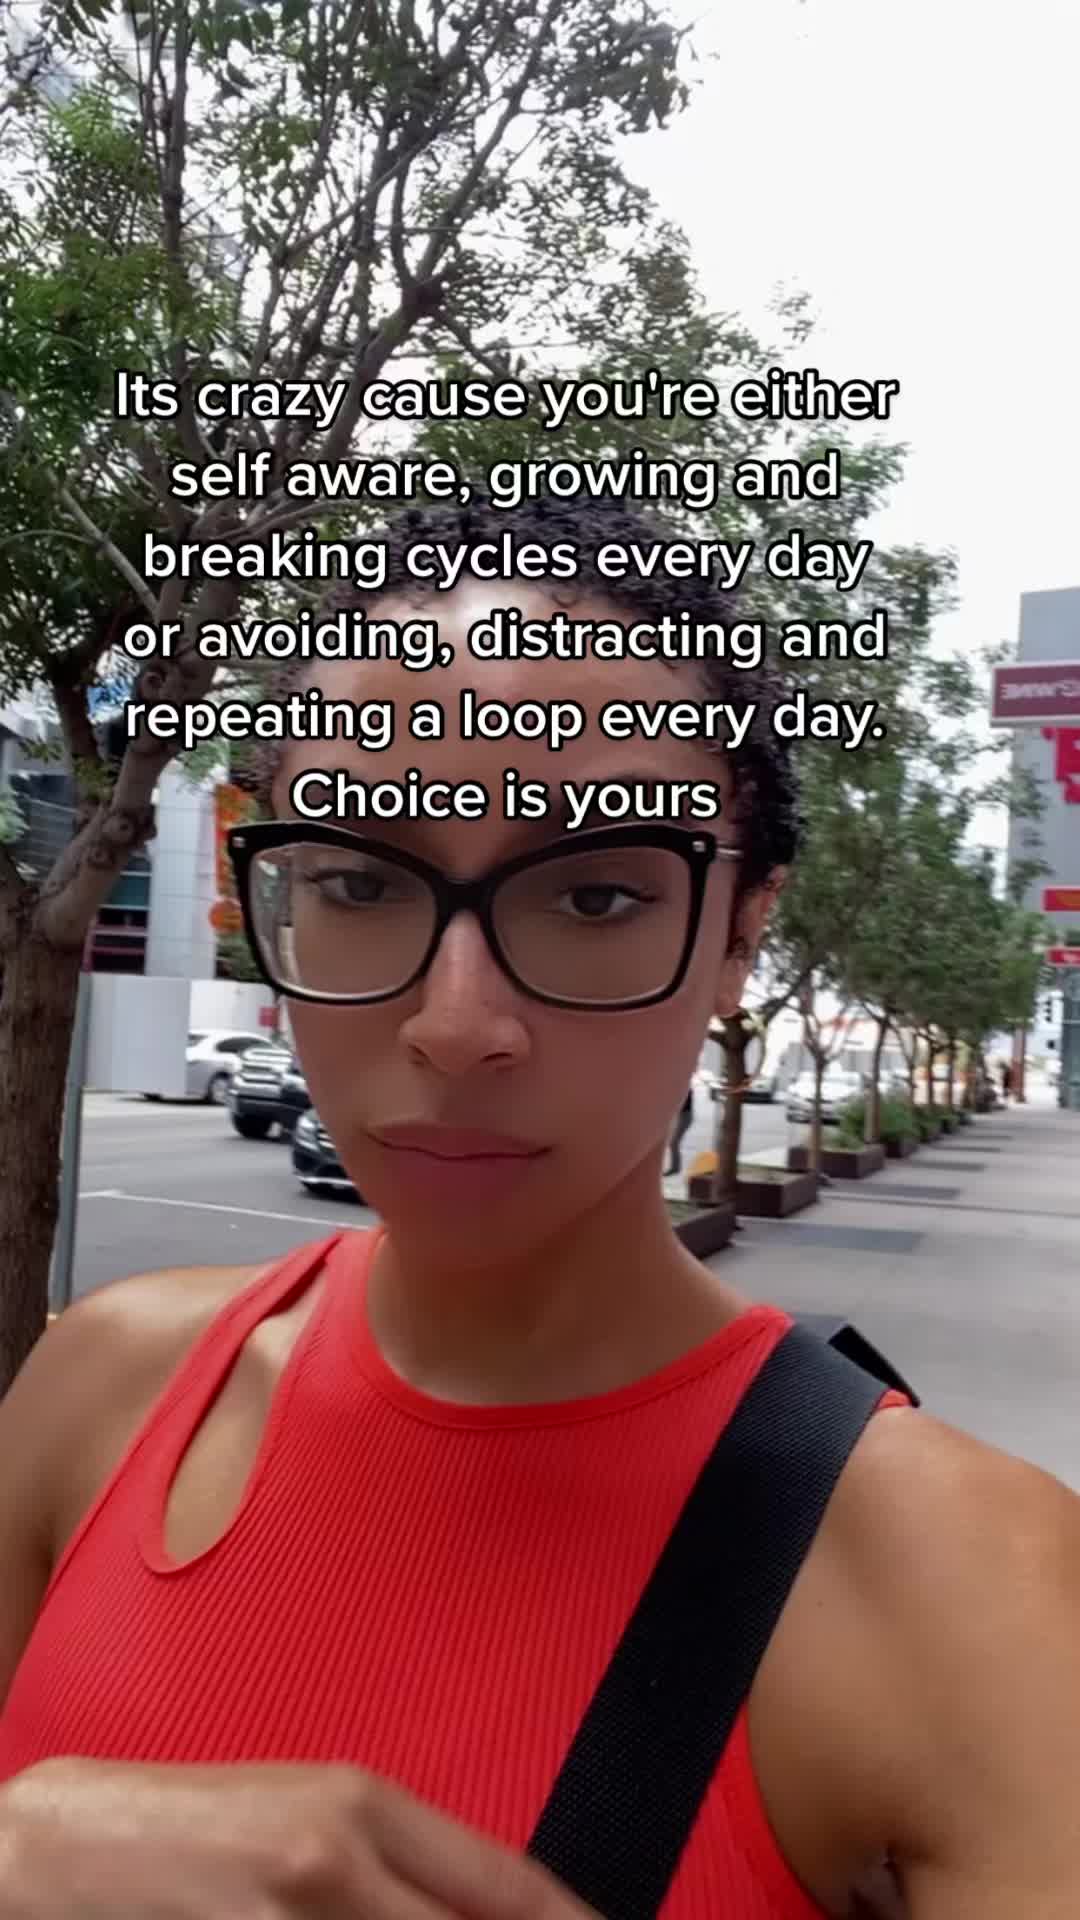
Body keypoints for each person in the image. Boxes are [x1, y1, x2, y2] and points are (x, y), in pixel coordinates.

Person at [1, 498, 1079, 1920]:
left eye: (595, 897)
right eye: (360, 879)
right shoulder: (105, 1385)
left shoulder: (974, 1586)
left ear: (741, 934)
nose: (458, 1027)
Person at [665, 1085, 694, 1177]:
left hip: (684, 1117)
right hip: (681, 1116)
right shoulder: (683, 1088)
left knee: (673, 1143)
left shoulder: (685, 1089)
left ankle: (675, 1168)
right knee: (673, 1143)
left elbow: (680, 1105)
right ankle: (675, 1167)